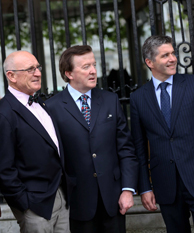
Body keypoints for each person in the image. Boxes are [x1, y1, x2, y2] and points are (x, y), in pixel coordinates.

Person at [130, 35, 194, 233]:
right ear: (149, 62)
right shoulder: (138, 98)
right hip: (166, 185)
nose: (173, 58)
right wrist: (145, 187)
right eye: (165, 55)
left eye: (173, 53)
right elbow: (138, 148)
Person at [46, 45, 138, 233]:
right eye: (86, 66)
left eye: (94, 65)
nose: (93, 71)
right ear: (69, 73)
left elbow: (126, 149)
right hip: (77, 203)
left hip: (113, 200)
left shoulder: (110, 100)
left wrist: (127, 189)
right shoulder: (51, 108)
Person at [0, 50, 73, 233]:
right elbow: (3, 168)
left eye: (37, 67)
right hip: (34, 205)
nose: (37, 73)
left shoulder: (40, 102)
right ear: (11, 76)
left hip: (60, 196)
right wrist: (25, 204)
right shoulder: (3, 115)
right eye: (30, 69)